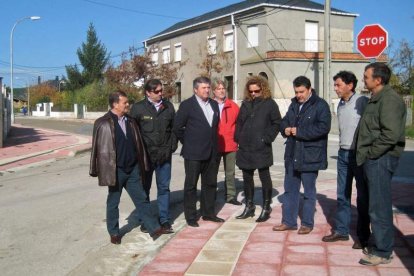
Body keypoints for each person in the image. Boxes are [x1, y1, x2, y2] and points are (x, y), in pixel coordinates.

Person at [89, 91, 172, 244]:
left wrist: (142, 163)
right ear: (115, 104)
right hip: (115, 170)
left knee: (141, 199)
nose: (128, 105)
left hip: (132, 169)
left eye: (127, 102)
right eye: (124, 103)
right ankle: (114, 232)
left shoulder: (131, 121)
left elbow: (139, 145)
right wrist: (95, 169)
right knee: (113, 202)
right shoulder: (102, 123)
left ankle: (154, 228)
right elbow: (96, 149)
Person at [356, 62, 406, 266]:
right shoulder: (375, 99)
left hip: (380, 159)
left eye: (366, 76)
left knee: (379, 206)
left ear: (378, 79)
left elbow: (391, 134)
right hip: (373, 159)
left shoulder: (390, 100)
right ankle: (379, 244)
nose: (363, 79)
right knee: (373, 204)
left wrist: (371, 154)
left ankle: (384, 251)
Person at [273, 76, 331, 234]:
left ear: (309, 89)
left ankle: (307, 223)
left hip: (310, 156)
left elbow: (323, 128)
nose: (299, 95)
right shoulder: (293, 104)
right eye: (296, 92)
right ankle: (288, 222)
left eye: (301, 92)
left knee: (308, 191)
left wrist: (300, 132)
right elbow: (284, 121)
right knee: (290, 190)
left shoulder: (320, 105)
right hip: (292, 154)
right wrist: (284, 129)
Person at [322, 71, 370, 249]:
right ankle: (341, 231)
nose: (335, 88)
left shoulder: (362, 102)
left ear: (350, 85)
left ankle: (363, 236)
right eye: (335, 85)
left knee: (363, 196)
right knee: (342, 195)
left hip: (358, 154)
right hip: (343, 154)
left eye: (338, 85)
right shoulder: (340, 104)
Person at [173, 76, 224, 227]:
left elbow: (213, 127)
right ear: (196, 89)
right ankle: (191, 216)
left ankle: (208, 213)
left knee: (210, 184)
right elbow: (177, 127)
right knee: (191, 186)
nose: (207, 90)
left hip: (211, 152)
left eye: (208, 87)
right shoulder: (187, 105)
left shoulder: (214, 105)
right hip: (193, 153)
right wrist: (188, 142)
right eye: (204, 88)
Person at [130, 79, 178, 232]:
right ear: (148, 93)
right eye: (157, 91)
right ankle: (147, 220)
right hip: (146, 157)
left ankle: (164, 220)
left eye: (161, 90)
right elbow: (133, 133)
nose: (160, 93)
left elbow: (174, 129)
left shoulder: (168, 106)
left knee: (164, 188)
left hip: (164, 156)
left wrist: (172, 146)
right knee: (145, 189)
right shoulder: (138, 109)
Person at [234, 76, 281, 222]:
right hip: (245, 147)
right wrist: (238, 137)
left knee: (264, 176)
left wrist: (266, 138)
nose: (253, 93)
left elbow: (277, 123)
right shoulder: (246, 103)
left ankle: (266, 206)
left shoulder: (270, 104)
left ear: (263, 89)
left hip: (261, 147)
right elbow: (239, 122)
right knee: (247, 177)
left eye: (257, 91)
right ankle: (249, 206)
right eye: (251, 91)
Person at [211, 79, 241, 206]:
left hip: (230, 143)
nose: (222, 91)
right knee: (212, 172)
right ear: (213, 91)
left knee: (230, 172)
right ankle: (210, 195)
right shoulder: (209, 105)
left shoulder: (233, 106)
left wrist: (238, 140)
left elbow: (239, 125)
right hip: (214, 144)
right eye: (218, 88)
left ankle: (231, 196)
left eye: (223, 88)